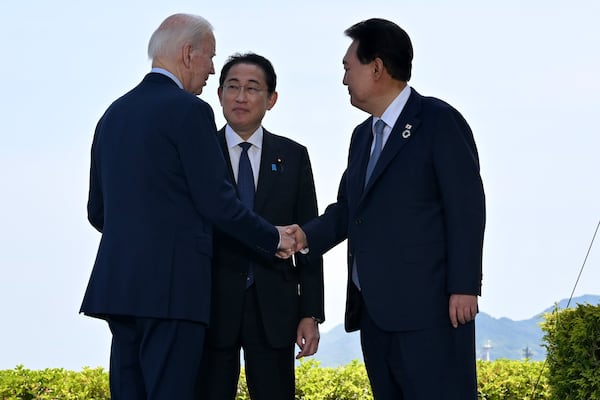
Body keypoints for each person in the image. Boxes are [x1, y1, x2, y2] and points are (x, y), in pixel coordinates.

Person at [80, 14, 295, 400]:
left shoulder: (112, 114)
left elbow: (98, 211)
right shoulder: (189, 111)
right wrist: (272, 236)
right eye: (210, 57)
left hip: (120, 289)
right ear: (187, 53)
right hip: (174, 291)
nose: (213, 68)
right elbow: (218, 202)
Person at [286, 18, 486, 399]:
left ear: (376, 67)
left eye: (348, 68)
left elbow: (467, 206)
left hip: (431, 310)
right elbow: (349, 210)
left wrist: (464, 285)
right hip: (374, 312)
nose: (344, 80)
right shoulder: (362, 136)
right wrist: (305, 235)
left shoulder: (438, 120)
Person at [197, 53, 325, 399]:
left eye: (252, 88)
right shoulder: (198, 152)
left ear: (271, 99)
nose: (241, 97)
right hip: (208, 307)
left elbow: (309, 238)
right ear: (219, 94)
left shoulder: (294, 156)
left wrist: (311, 312)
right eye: (232, 87)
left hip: (275, 307)